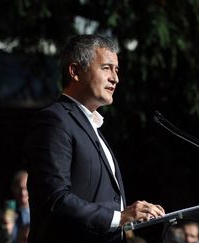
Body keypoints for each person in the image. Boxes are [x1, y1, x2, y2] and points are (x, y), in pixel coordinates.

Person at [23, 34, 165, 243]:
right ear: (75, 71)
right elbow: (55, 199)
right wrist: (120, 217)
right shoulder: (54, 120)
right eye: (106, 68)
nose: (115, 78)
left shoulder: (92, 127)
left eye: (116, 70)